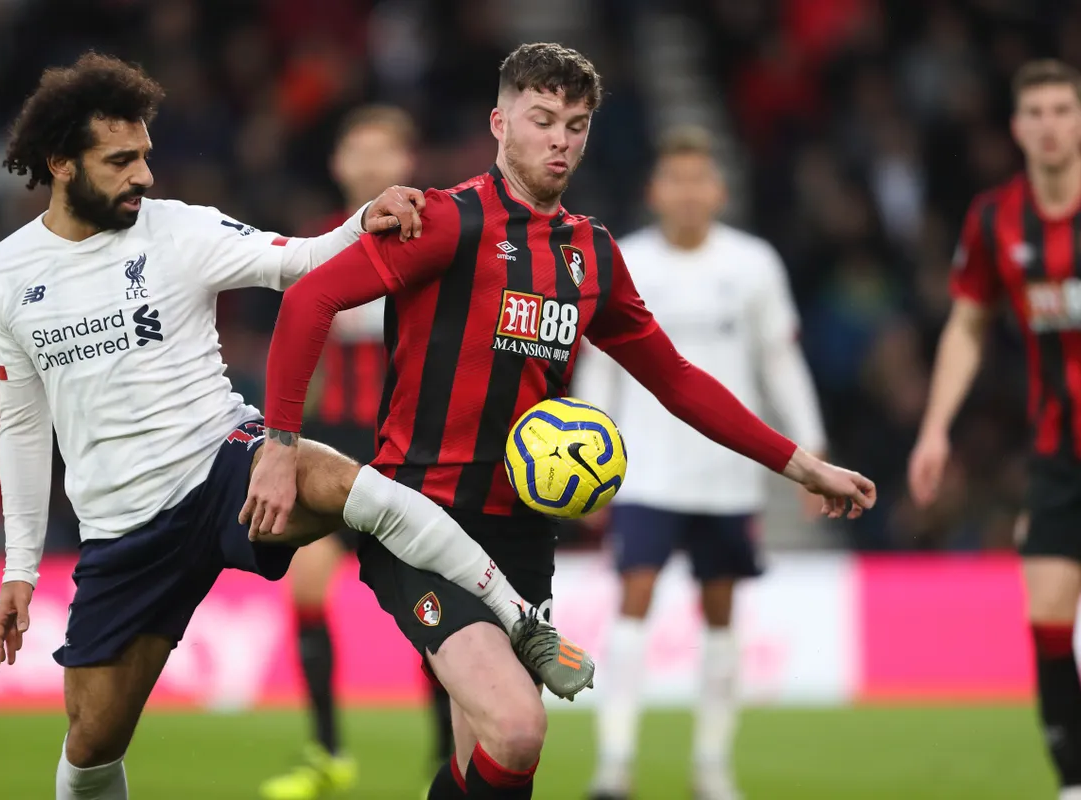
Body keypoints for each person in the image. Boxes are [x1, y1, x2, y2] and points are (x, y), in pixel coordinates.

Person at [245, 42, 876, 800]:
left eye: (575, 126)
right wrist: (279, 446)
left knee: (493, 754)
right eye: (542, 120)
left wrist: (801, 463)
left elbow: (676, 380)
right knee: (519, 729)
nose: (560, 141)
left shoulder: (591, 254)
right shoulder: (444, 221)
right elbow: (308, 300)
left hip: (522, 530)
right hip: (421, 516)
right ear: (499, 123)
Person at [0, 52, 591, 800]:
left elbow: (299, 262)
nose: (144, 175)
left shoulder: (180, 229)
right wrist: (19, 567)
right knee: (91, 745)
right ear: (59, 163)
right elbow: (22, 423)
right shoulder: (1, 278)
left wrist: (363, 219)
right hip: (124, 525)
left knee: (355, 488)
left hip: (222, 461)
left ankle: (520, 621)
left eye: (145, 154)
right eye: (120, 161)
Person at [573, 125, 826, 800]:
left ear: (718, 190)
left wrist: (811, 446)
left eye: (698, 180)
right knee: (633, 600)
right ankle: (615, 763)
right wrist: (587, 462)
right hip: (644, 469)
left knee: (721, 611)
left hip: (726, 476)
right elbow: (599, 368)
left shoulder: (753, 264)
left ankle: (712, 765)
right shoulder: (625, 261)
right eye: (675, 180)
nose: (687, 192)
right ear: (654, 191)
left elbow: (780, 359)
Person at [259, 105, 455, 800]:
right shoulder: (316, 246)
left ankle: (446, 756)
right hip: (331, 442)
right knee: (308, 591)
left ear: (408, 164)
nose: (371, 163)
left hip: (406, 446)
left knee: (431, 606)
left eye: (384, 151)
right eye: (358, 150)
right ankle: (327, 752)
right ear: (338, 163)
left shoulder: (435, 244)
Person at [908, 59, 1081, 800]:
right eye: (1035, 112)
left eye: (1062, 110)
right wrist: (935, 429)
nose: (1050, 125)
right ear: (1016, 127)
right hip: (1058, 452)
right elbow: (968, 325)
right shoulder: (995, 219)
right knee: (1047, 616)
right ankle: (1073, 784)